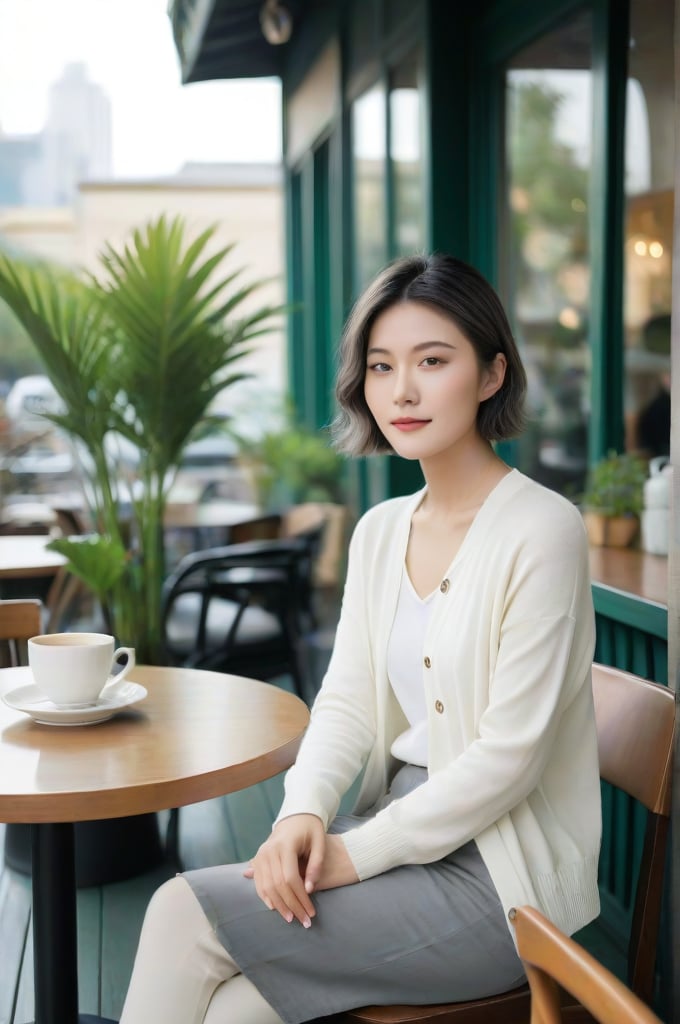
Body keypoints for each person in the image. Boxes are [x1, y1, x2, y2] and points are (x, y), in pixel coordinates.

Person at [120, 254, 601, 1024]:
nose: (402, 390)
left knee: (183, 913)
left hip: (501, 881)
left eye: (432, 361)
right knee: (238, 1011)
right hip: (395, 830)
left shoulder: (543, 530)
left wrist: (353, 853)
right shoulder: (381, 533)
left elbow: (509, 758)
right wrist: (302, 814)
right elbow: (345, 700)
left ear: (491, 375)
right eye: (381, 366)